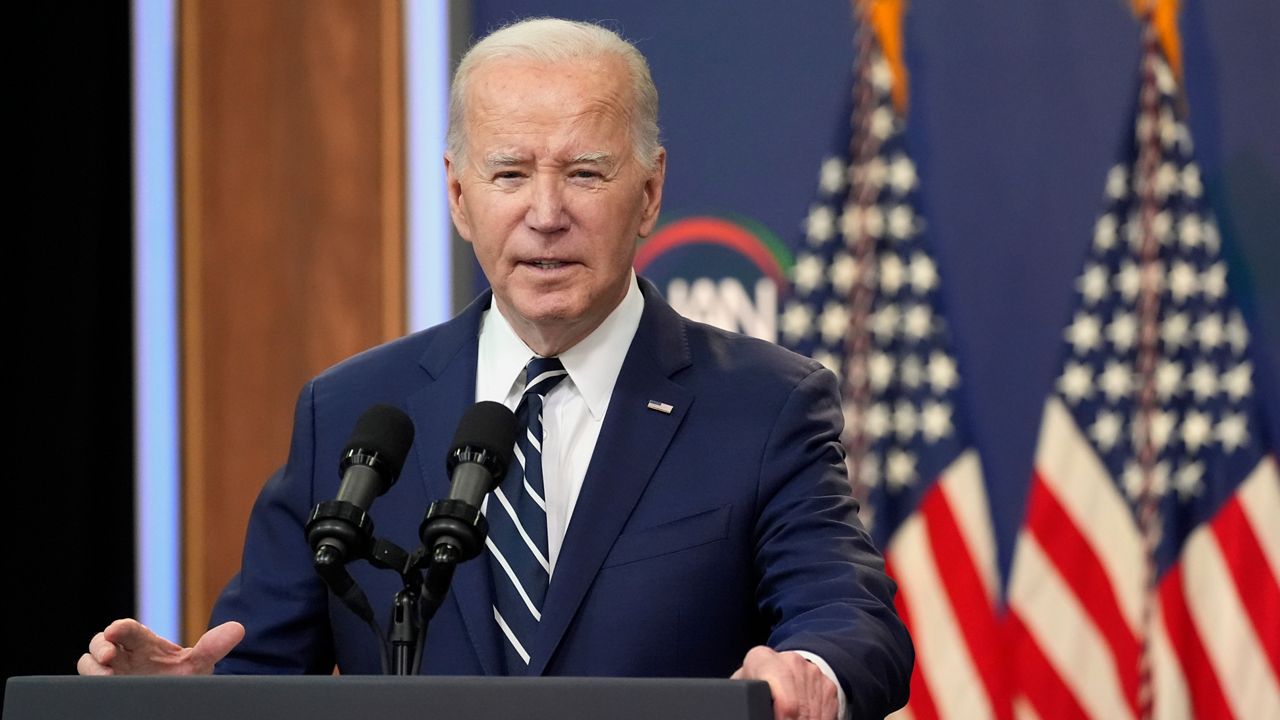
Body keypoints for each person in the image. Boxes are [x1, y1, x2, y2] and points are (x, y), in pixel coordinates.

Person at [78, 17, 912, 719]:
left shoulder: (763, 405)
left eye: (586, 173)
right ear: (457, 195)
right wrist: (182, 702)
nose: (546, 215)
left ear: (651, 193)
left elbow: (854, 620)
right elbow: (261, 672)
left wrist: (812, 672)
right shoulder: (355, 411)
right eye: (509, 173)